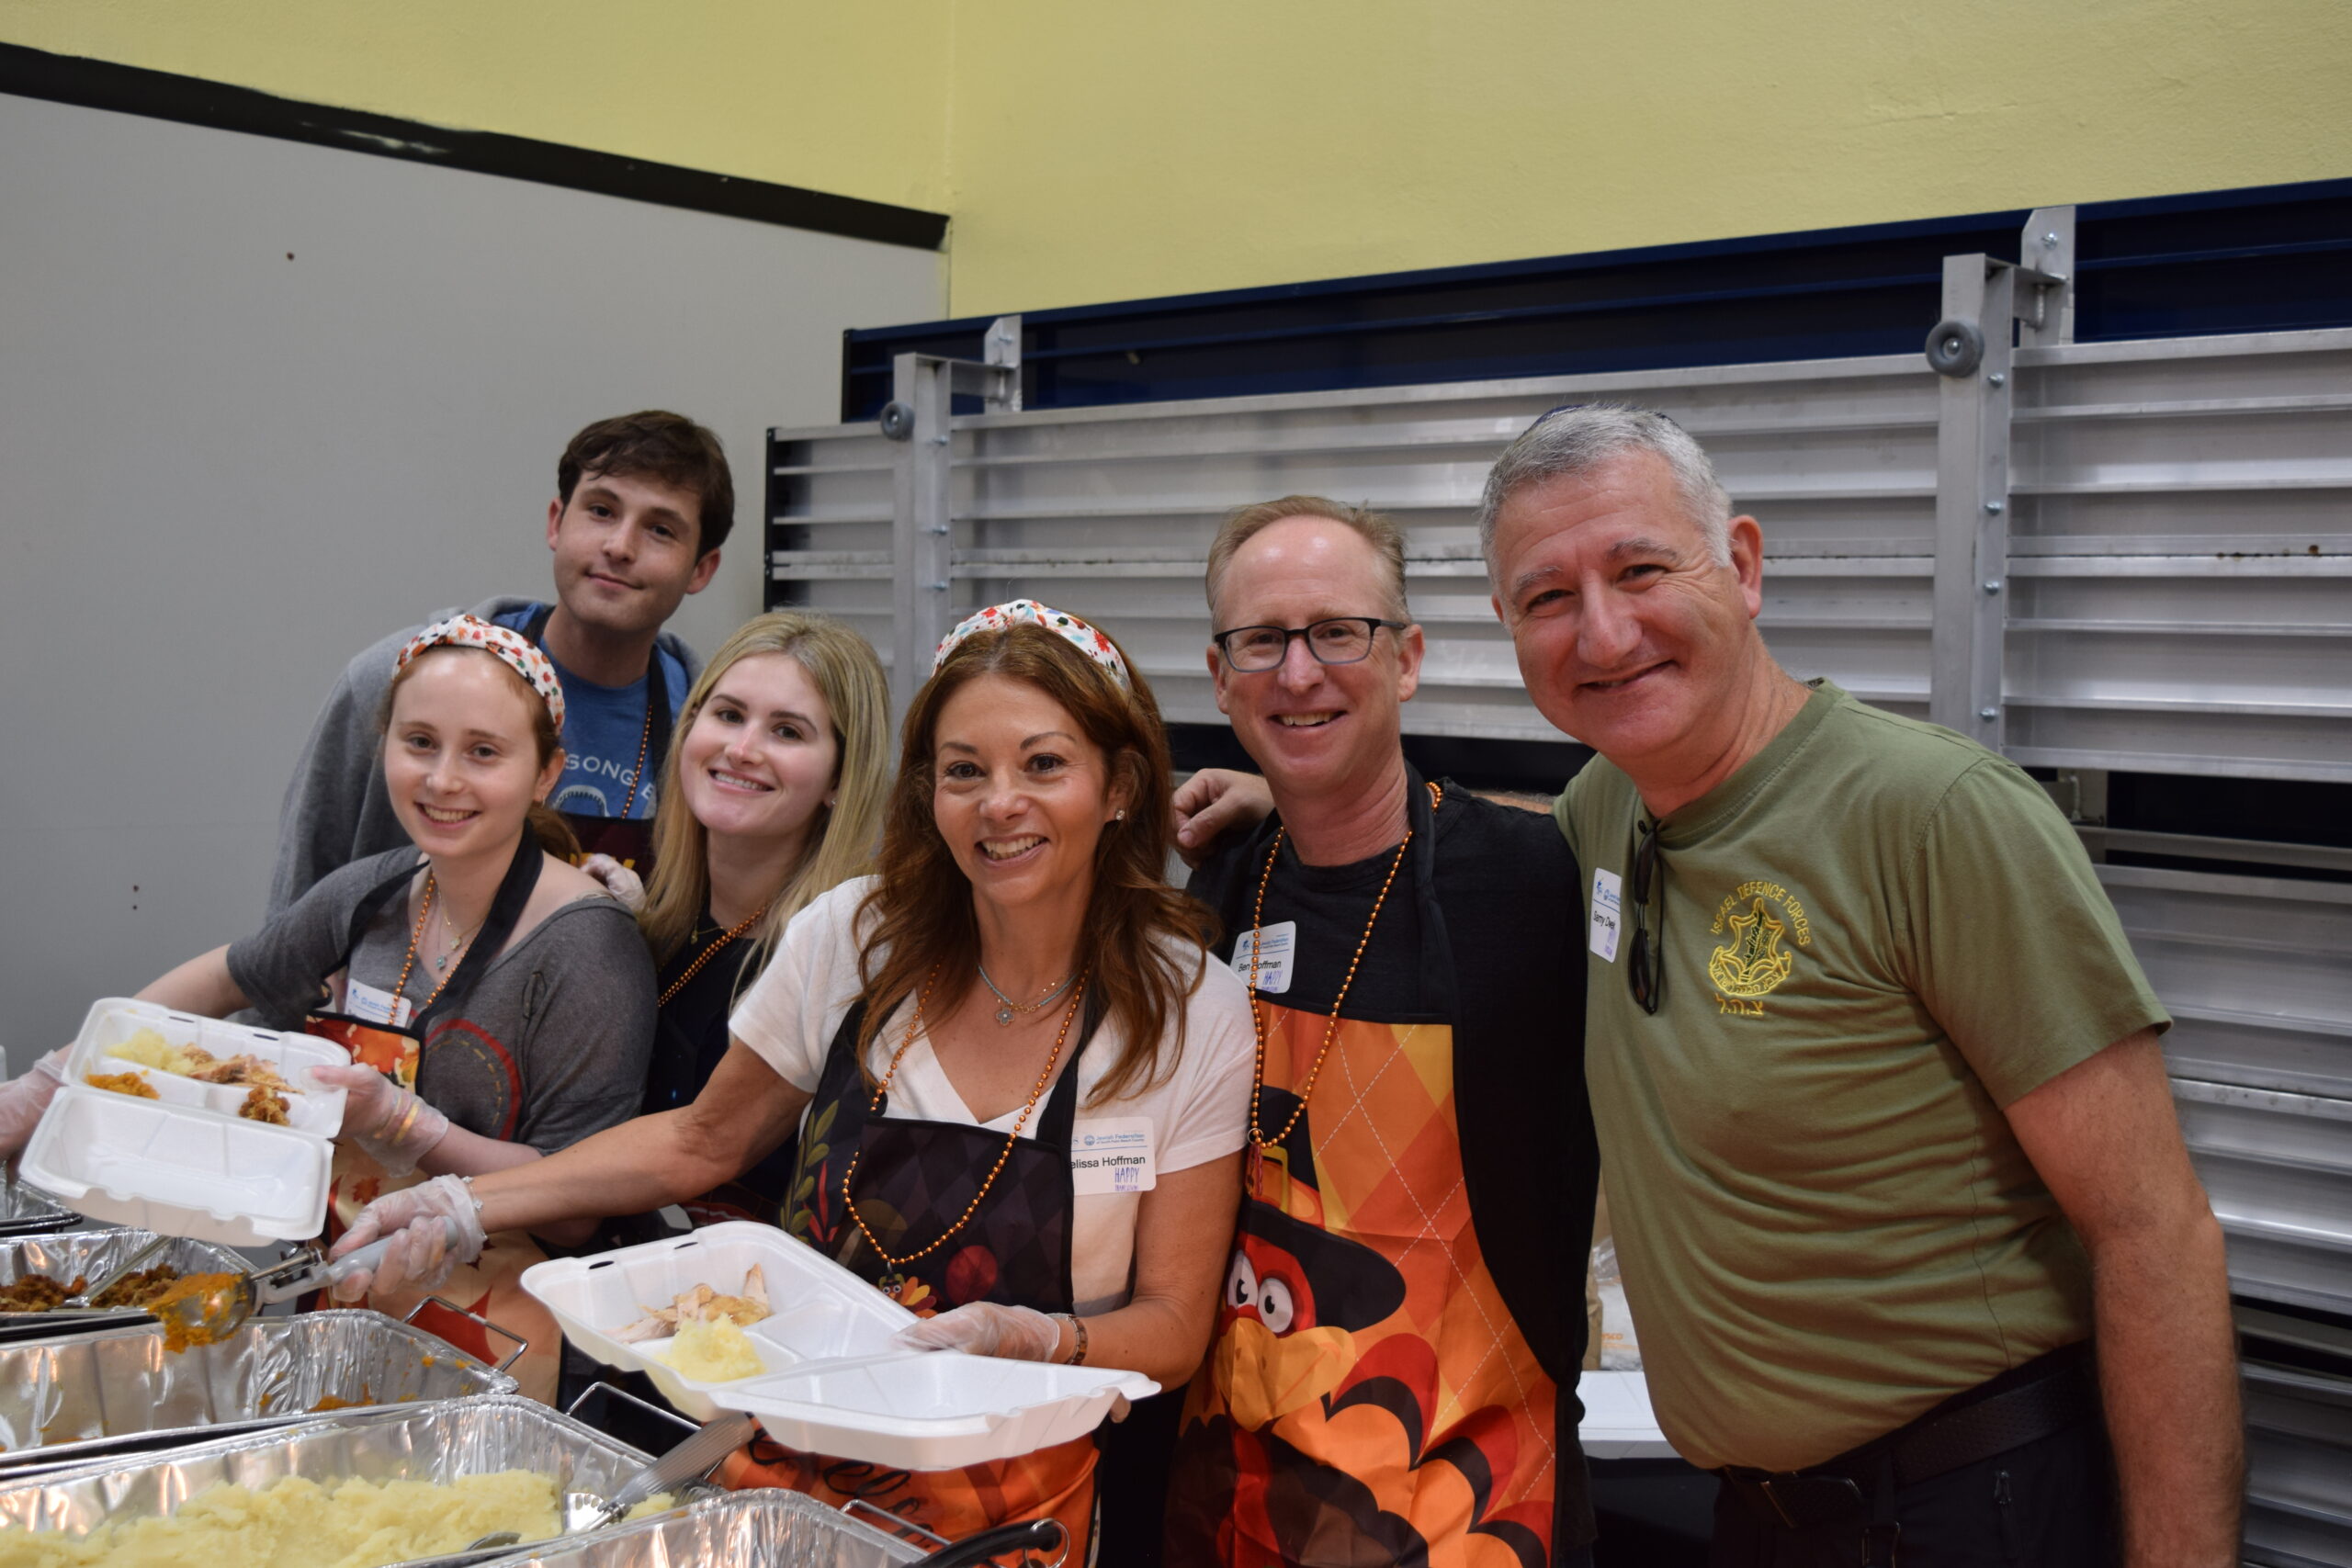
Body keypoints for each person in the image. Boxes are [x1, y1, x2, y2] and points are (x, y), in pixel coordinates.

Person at [331, 600, 1259, 1560]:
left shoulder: (1191, 1009)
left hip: (1013, 1508)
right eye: (963, 770)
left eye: (1044, 764)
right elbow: (703, 1138)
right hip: (782, 1475)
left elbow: (1173, 1326)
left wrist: (1036, 1338)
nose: (999, 803)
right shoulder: (859, 937)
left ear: (1120, 785)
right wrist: (461, 1205)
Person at [1479, 405, 2238, 1565]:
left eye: (1640, 570)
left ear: (1741, 566)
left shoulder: (1935, 819)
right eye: (1546, 597)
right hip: (1765, 1518)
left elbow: (2153, 1233)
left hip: (1965, 1508)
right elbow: (1491, 833)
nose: (1603, 631)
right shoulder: (1606, 808)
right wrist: (1291, 806)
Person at [0, 615, 657, 1403]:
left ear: (546, 772)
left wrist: (406, 1125)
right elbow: (226, 975)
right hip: (345, 1293)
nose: (443, 779)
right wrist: (55, 1079)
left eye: (483, 751)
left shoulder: (590, 949)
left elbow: (577, 1204)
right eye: (420, 742)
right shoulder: (372, 893)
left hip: (506, 1344)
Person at [1160, 498, 1600, 1568]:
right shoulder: (1219, 887)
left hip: (1469, 1509)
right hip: (1225, 1503)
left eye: (1336, 633)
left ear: (1405, 660)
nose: (1297, 673)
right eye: (1261, 640)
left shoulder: (1533, 882)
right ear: (1219, 678)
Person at [267, 410, 731, 912]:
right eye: (601, 510)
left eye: (660, 530)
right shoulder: (393, 682)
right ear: (556, 523)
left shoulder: (714, 738)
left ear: (701, 569)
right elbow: (295, 919)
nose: (620, 546)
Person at [612, 610, 891, 1229]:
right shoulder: (655, 927)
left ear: (840, 779)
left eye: (787, 731)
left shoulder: (850, 962)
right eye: (729, 714)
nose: (741, 750)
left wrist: (469, 1199)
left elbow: (699, 1148)